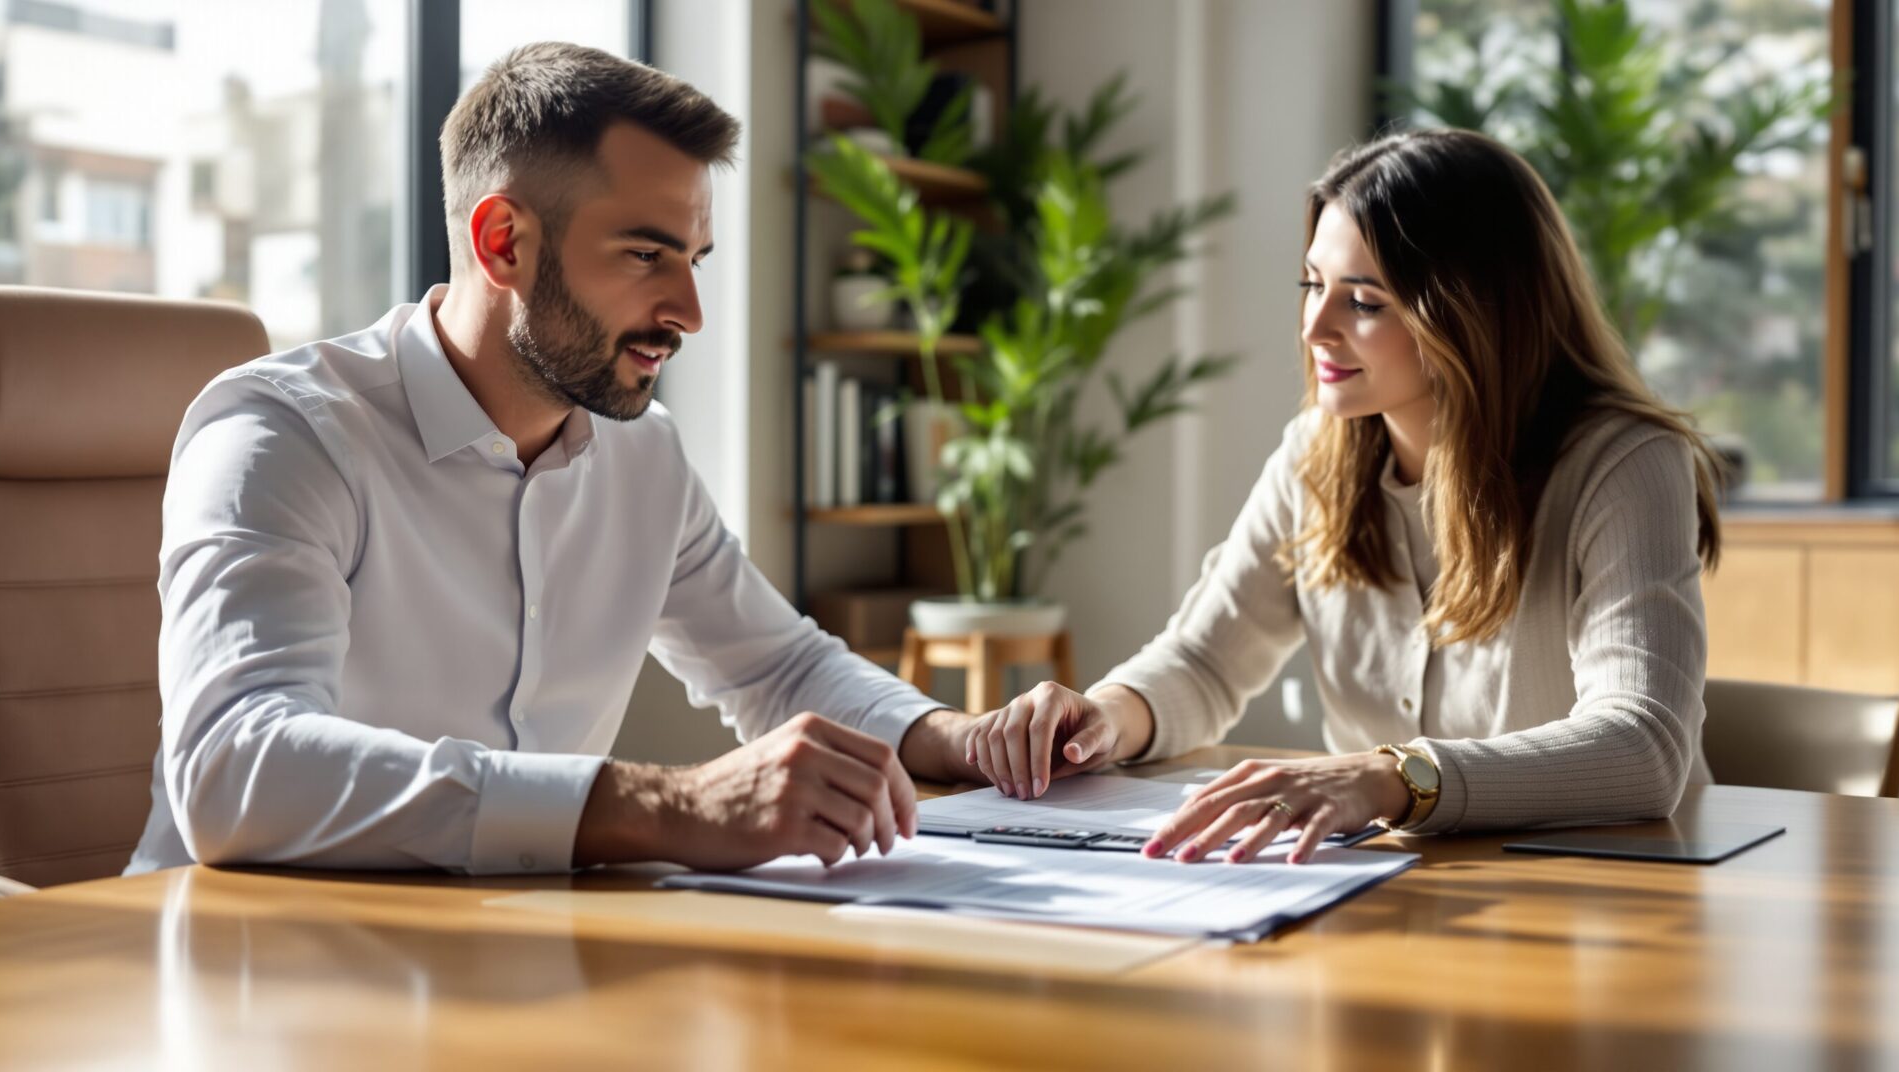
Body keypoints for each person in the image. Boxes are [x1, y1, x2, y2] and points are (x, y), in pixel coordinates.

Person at [127, 43, 979, 877]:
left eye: (694, 261)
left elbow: (776, 664)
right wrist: (674, 806)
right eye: (647, 255)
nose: (689, 312)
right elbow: (236, 769)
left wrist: (956, 737)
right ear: (503, 243)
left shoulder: (643, 456)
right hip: (247, 978)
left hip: (512, 965)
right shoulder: (284, 437)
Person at [962, 129, 1722, 864]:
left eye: (1364, 301)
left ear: (1471, 311)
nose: (1315, 327)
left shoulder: (1625, 463)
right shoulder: (1314, 456)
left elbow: (1642, 747)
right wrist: (1105, 718)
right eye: (1313, 286)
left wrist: (1391, 776)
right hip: (1396, 891)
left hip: (1610, 894)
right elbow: (1203, 662)